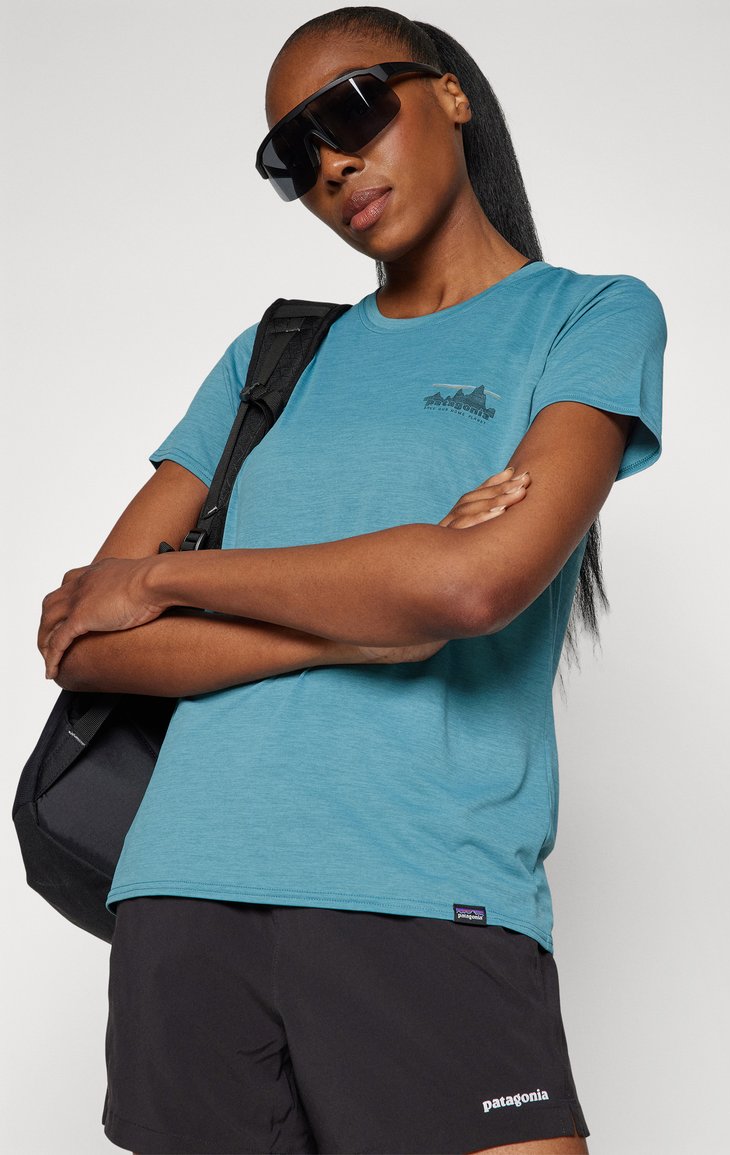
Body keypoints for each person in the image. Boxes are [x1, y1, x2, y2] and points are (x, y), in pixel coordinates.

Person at [37, 7, 667, 1154]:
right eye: (293, 155)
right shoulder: (272, 359)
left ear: (450, 94)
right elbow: (86, 636)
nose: (331, 163)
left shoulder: (584, 316)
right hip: (188, 889)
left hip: (428, 882)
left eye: (353, 110)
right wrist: (374, 617)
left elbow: (473, 589)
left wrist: (181, 583)